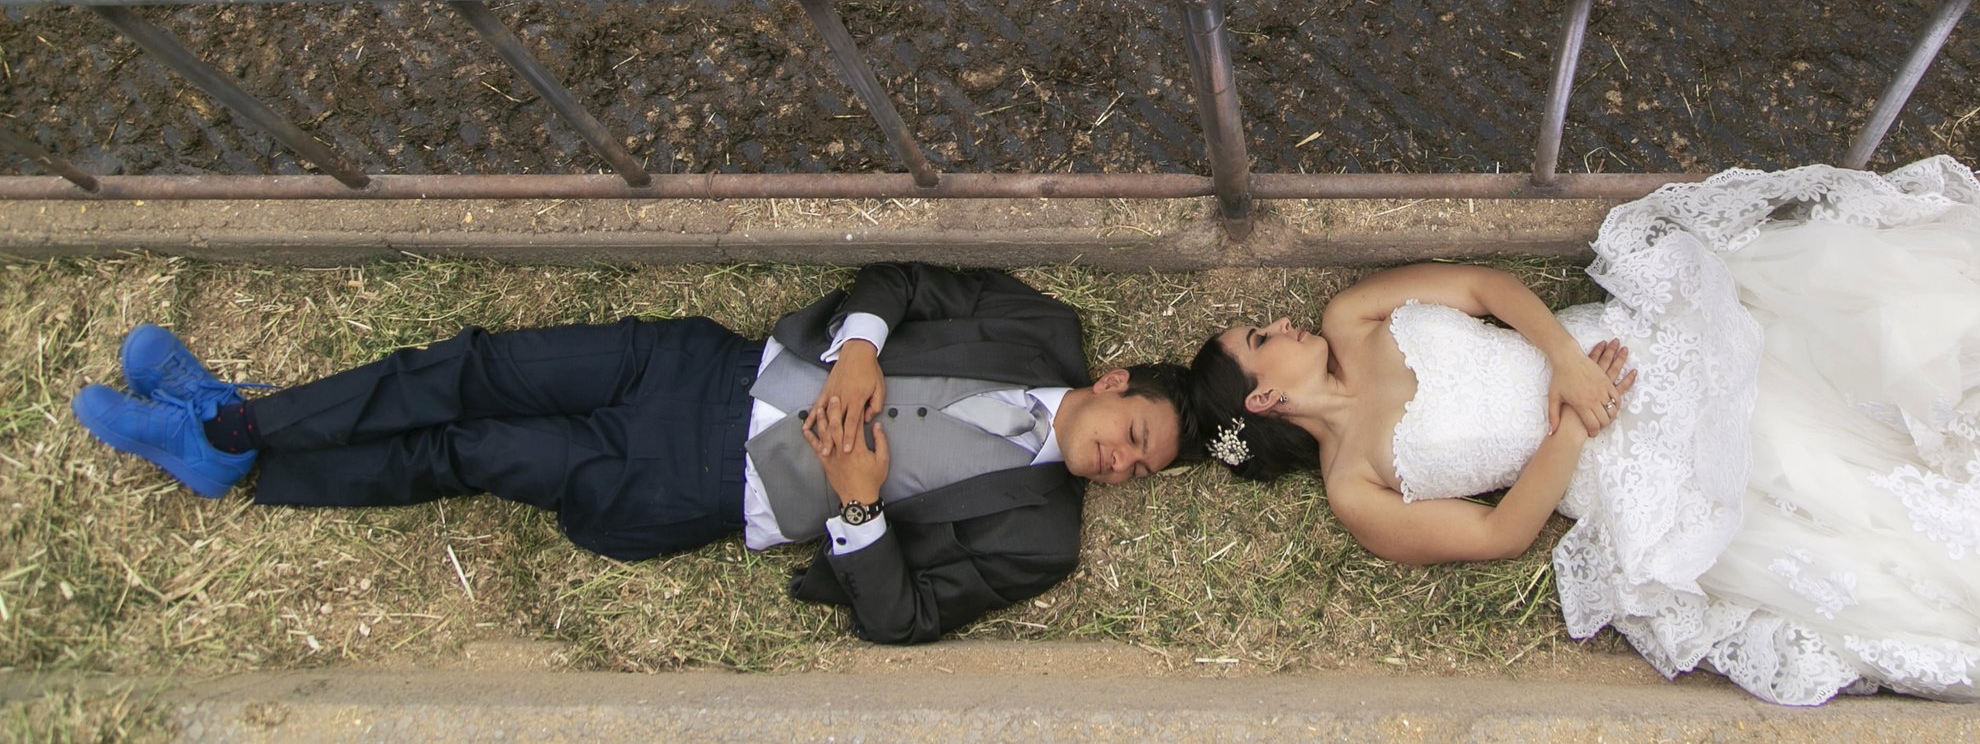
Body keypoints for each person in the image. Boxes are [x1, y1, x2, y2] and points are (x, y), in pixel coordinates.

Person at [1187, 159, 1980, 704]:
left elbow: (1491, 292)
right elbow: (1504, 530)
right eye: (1260, 339)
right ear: (1264, 401)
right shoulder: (1357, 491)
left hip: (1612, 347)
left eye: (1262, 321)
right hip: (1611, 458)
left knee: (1862, 342)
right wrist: (1571, 426)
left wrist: (1567, 361)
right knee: (1851, 492)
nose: (1280, 320)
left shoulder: (1358, 313)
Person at [75, 262, 1194, 643]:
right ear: (1112, 382)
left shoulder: (1041, 538)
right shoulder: (1039, 325)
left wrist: (857, 507)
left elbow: (901, 617)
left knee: (470, 449)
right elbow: (901, 281)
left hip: (697, 485)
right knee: (468, 363)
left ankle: (247, 454)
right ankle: (235, 425)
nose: (1124, 462)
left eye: (1141, 469)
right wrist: (860, 349)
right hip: (701, 369)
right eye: (1136, 433)